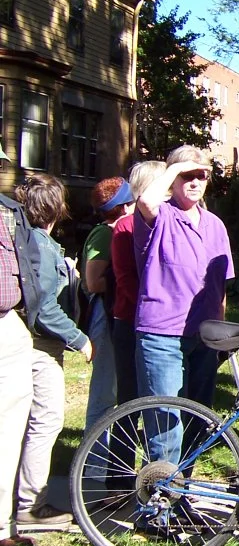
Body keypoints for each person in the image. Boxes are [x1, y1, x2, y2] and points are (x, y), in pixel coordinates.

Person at [134, 146, 233, 462]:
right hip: (162, 335)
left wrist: (219, 336)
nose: (194, 182)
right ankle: (161, 492)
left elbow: (219, 286)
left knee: (197, 422)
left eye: (201, 175)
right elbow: (146, 201)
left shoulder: (215, 225)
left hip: (203, 337)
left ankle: (182, 488)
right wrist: (175, 168)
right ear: (172, 179)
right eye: (186, 175)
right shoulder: (160, 215)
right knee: (166, 426)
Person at [13, 174, 93, 530]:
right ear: (56, 208)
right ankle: (31, 503)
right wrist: (80, 339)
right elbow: (44, 308)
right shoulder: (41, 248)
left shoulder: (24, 240)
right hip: (40, 347)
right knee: (46, 420)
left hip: (26, 342)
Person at [0, 146, 46, 546]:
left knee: (10, 428)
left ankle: (2, 526)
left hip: (8, 326)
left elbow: (28, 266)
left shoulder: (9, 212)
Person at [109, 161, 166, 408]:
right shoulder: (126, 225)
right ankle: (126, 435)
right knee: (130, 392)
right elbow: (124, 278)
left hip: (167, 321)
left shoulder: (173, 221)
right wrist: (153, 308)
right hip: (131, 318)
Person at [82, 176, 136, 434]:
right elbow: (93, 282)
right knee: (104, 387)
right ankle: (94, 454)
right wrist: (125, 278)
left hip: (113, 309)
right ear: (124, 206)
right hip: (103, 313)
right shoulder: (105, 234)